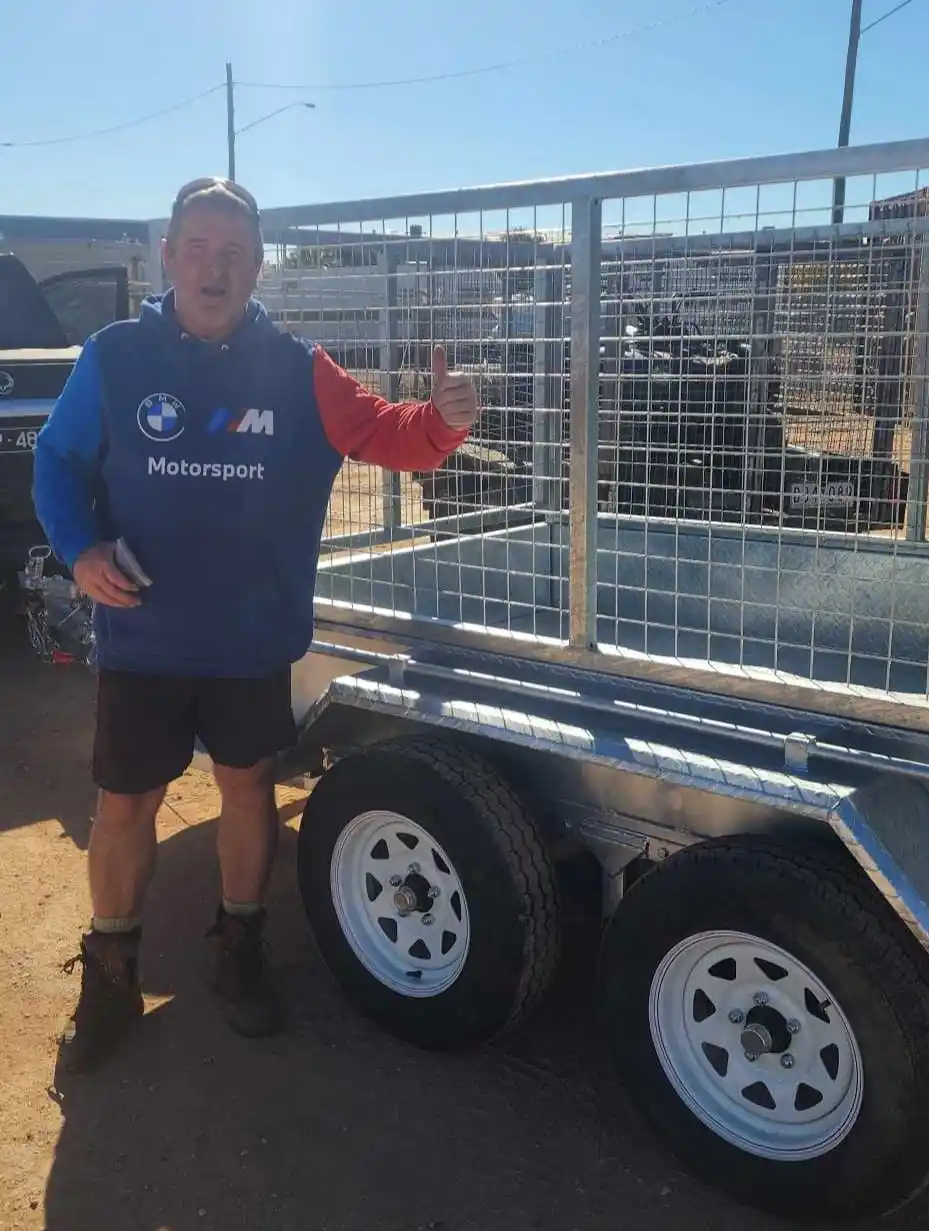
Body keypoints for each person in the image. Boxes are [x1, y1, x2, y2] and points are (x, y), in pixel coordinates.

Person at [32, 176, 477, 1074]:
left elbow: (390, 432)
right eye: (196, 246)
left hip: (247, 644)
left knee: (246, 792)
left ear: (258, 265)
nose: (214, 265)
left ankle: (238, 950)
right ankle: (112, 969)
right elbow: (59, 457)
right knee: (126, 803)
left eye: (232, 251)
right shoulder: (113, 356)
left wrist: (442, 422)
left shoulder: (297, 366)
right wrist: (80, 550)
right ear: (166, 256)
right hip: (142, 640)